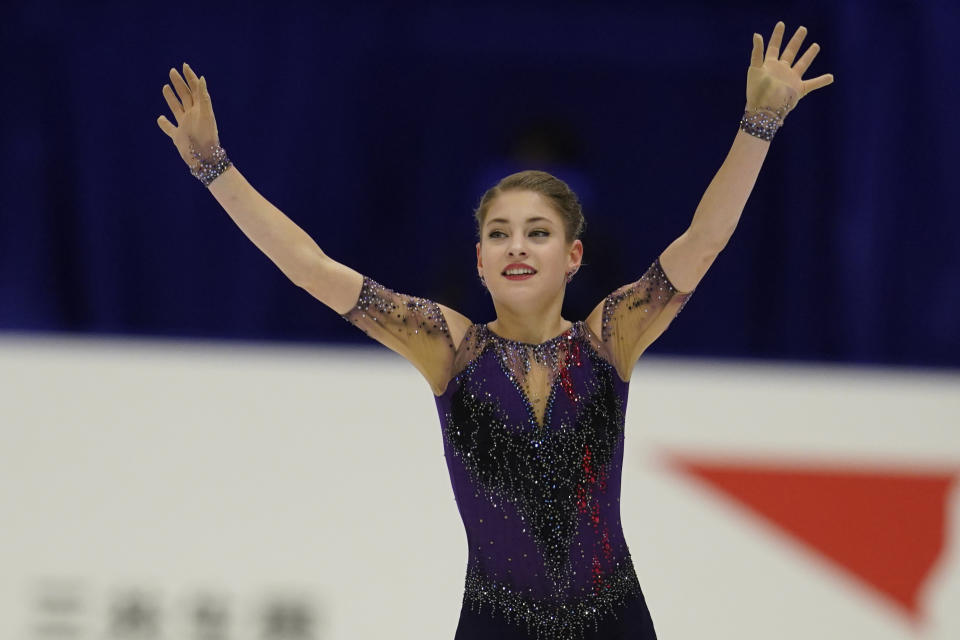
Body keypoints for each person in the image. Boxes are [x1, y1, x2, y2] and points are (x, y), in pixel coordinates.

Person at [157, 20, 833, 640]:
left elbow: (705, 241)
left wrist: (760, 122)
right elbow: (311, 268)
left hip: (614, 622)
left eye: (538, 234)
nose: (517, 247)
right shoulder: (448, 346)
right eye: (499, 234)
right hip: (495, 625)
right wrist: (215, 168)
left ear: (573, 257)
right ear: (478, 260)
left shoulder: (610, 338)